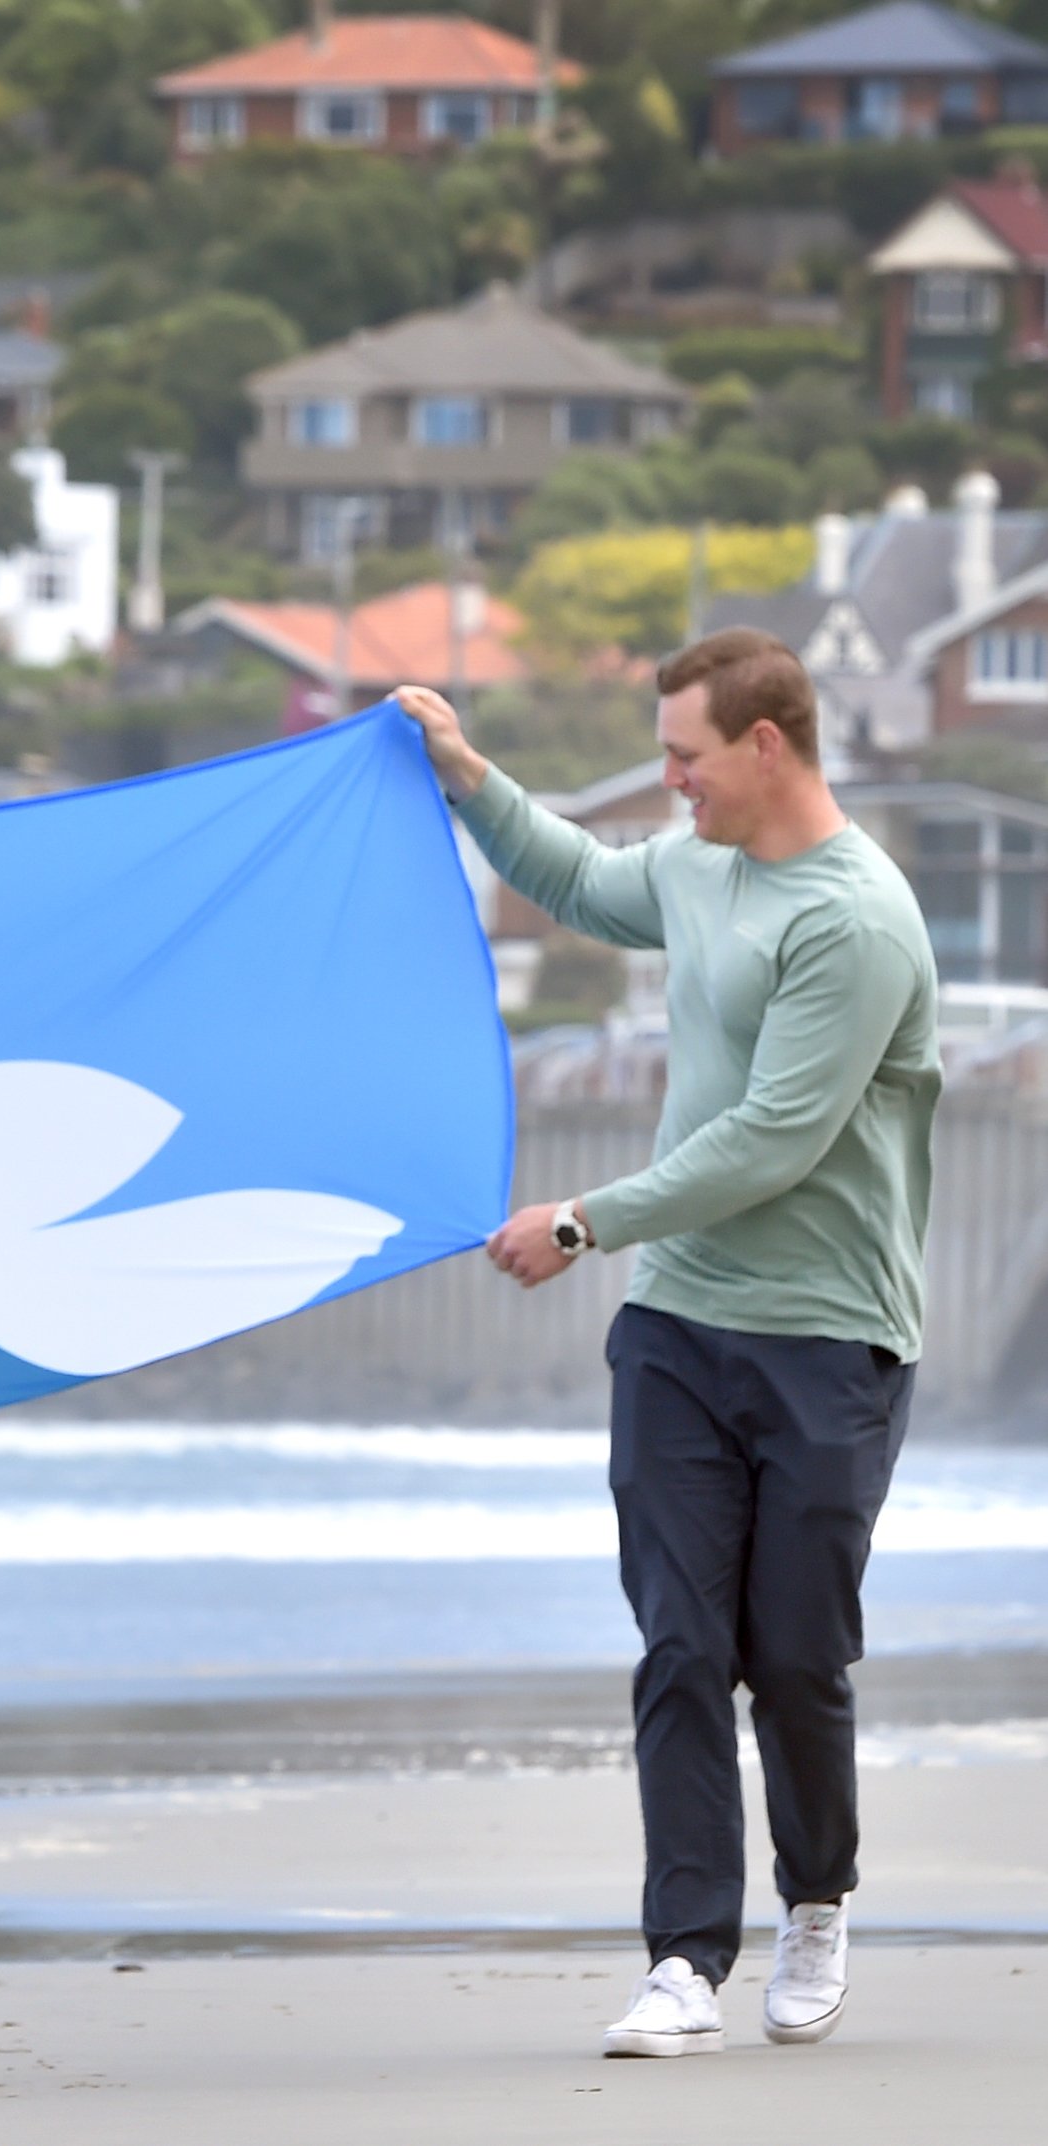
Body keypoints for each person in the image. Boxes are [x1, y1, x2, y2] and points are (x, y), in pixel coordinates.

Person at [396, 630, 939, 2060]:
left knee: (795, 1653)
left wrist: (581, 1221)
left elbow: (773, 1140)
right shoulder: (697, 873)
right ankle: (686, 1957)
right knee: (682, 1644)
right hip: (679, 1336)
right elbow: (575, 874)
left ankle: (814, 1899)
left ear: (767, 744)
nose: (670, 782)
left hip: (828, 1339)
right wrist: (462, 778)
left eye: (686, 757)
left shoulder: (856, 918)